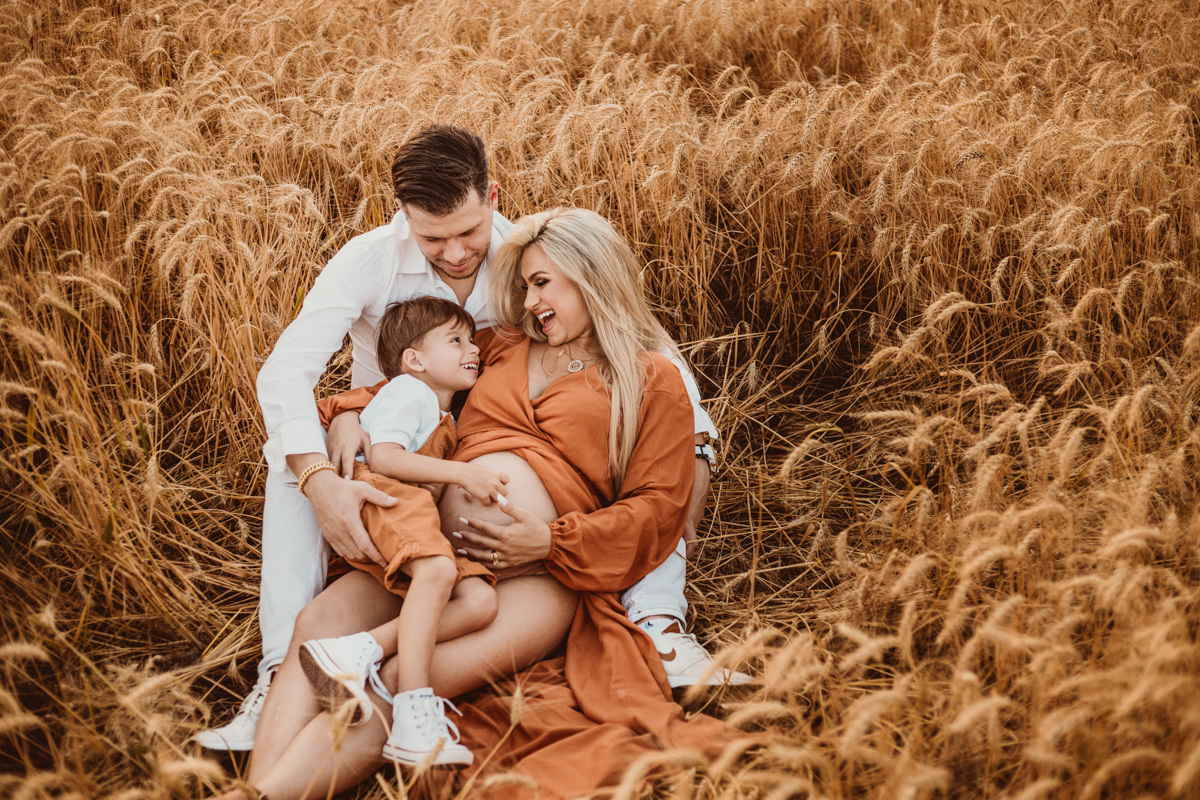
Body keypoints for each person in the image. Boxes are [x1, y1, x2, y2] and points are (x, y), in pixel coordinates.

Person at [195, 124, 741, 753]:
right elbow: (286, 372)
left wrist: (699, 447)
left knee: (662, 489)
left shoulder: (528, 255)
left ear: (492, 195)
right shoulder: (368, 260)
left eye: (467, 232)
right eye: (433, 238)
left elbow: (638, 347)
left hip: (465, 439)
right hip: (388, 429)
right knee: (289, 453)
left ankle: (657, 617)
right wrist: (326, 464)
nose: (455, 254)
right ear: (403, 216)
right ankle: (274, 671)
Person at [297, 296, 505, 767]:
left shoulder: (439, 406)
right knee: (435, 573)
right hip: (381, 494)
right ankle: (414, 711)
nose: (472, 349)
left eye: (472, 339)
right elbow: (386, 458)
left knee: (479, 601)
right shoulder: (411, 393)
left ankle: (357, 650)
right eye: (455, 341)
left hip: (408, 509)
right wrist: (464, 476)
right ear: (414, 360)